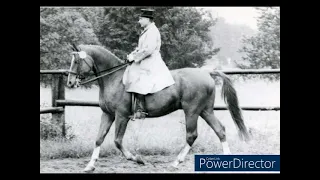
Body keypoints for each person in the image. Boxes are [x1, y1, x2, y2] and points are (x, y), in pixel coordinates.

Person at [123, 9, 175, 120]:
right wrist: (131, 55)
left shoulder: (152, 31)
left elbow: (148, 50)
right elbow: (141, 48)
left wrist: (134, 58)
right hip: (144, 59)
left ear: (147, 19)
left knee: (138, 78)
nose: (139, 21)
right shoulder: (147, 30)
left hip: (151, 60)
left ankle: (141, 110)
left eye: (141, 19)